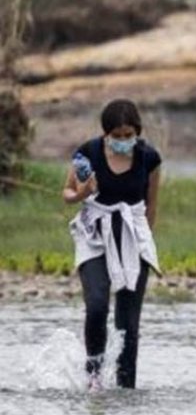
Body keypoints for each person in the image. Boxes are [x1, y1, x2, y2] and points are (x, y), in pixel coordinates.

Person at [63, 99, 161, 390]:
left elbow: (151, 206)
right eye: (116, 136)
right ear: (106, 134)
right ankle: (93, 377)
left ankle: (125, 389)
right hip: (95, 234)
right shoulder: (87, 154)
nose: (122, 141)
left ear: (137, 132)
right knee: (96, 306)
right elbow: (67, 193)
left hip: (133, 234)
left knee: (128, 324)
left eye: (128, 135)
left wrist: (145, 247)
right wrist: (81, 193)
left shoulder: (149, 159)